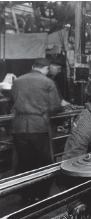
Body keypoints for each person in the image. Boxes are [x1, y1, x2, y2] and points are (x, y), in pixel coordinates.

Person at [11, 58, 62, 202]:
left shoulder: (18, 80)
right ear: (46, 68)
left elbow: (13, 100)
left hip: (19, 126)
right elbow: (55, 106)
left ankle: (26, 195)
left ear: (33, 67)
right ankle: (40, 194)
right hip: (39, 126)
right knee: (42, 162)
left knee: (24, 162)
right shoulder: (47, 82)